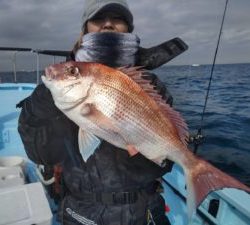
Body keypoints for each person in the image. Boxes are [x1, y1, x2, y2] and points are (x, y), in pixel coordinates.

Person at [17, 0, 186, 224]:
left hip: (143, 208)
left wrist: (149, 158)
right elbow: (40, 154)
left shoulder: (150, 85)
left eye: (118, 19)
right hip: (82, 210)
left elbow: (165, 160)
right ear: (85, 29)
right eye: (98, 19)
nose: (108, 24)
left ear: (128, 29)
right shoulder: (58, 86)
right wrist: (46, 98)